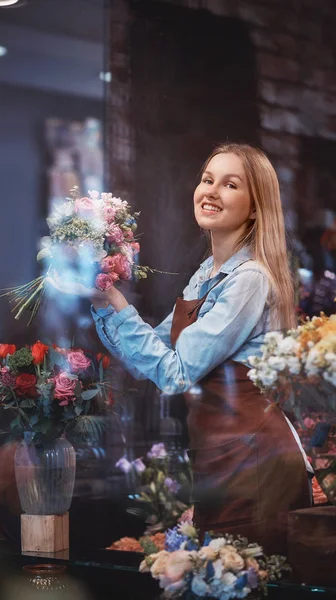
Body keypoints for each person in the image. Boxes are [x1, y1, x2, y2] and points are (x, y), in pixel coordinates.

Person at [52, 143, 312, 554]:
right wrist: (103, 297)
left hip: (256, 463)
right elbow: (149, 358)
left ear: (256, 207)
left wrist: (116, 304)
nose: (210, 190)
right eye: (207, 179)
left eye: (230, 184)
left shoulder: (249, 280)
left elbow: (174, 374)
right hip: (221, 457)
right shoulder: (206, 275)